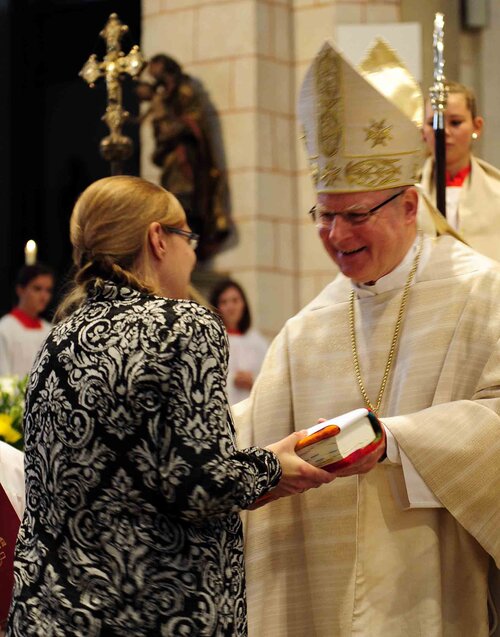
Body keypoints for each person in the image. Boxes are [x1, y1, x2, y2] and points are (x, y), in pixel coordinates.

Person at [233, 41, 500, 636]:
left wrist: (397, 442)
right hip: (322, 599)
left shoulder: (481, 292)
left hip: (431, 588)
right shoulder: (308, 328)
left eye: (356, 216)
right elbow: (251, 436)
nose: (336, 235)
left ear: (408, 206)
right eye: (324, 215)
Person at [6, 175, 338, 637]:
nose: (194, 254)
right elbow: (202, 485)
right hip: (153, 612)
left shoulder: (59, 336)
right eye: (188, 237)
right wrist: (274, 465)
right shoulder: (184, 324)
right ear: (158, 239)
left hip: (52, 615)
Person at [135, 54, 231, 260]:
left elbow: (193, 122)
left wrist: (167, 119)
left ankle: (188, 249)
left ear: (169, 72)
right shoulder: (164, 97)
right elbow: (161, 131)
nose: (158, 82)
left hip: (187, 160)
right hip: (172, 159)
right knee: (173, 204)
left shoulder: (185, 91)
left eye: (159, 76)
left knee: (187, 203)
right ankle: (178, 248)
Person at [420, 80, 500, 260]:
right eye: (433, 123)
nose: (443, 131)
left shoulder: (497, 192)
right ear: (422, 131)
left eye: (455, 122)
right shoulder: (404, 196)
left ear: (477, 126)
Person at [209, 279, 269, 405]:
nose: (230, 307)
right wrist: (232, 380)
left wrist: (253, 381)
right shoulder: (211, 340)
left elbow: (269, 378)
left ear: (243, 305)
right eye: (224, 302)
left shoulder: (258, 342)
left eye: (235, 300)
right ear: (216, 307)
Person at [0, 264, 54, 377]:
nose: (44, 297)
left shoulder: (50, 330)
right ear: (20, 290)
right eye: (37, 289)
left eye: (48, 290)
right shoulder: (4, 329)